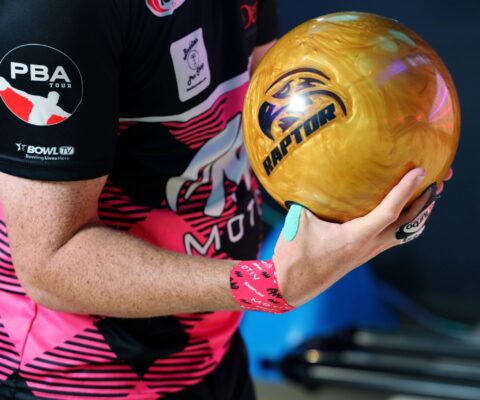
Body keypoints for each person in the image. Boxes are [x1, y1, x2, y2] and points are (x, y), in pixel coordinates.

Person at [0, 1, 449, 399]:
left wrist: (372, 173)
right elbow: (50, 263)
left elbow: (271, 109)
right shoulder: (58, 11)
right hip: (80, 378)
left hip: (215, 346)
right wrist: (270, 286)